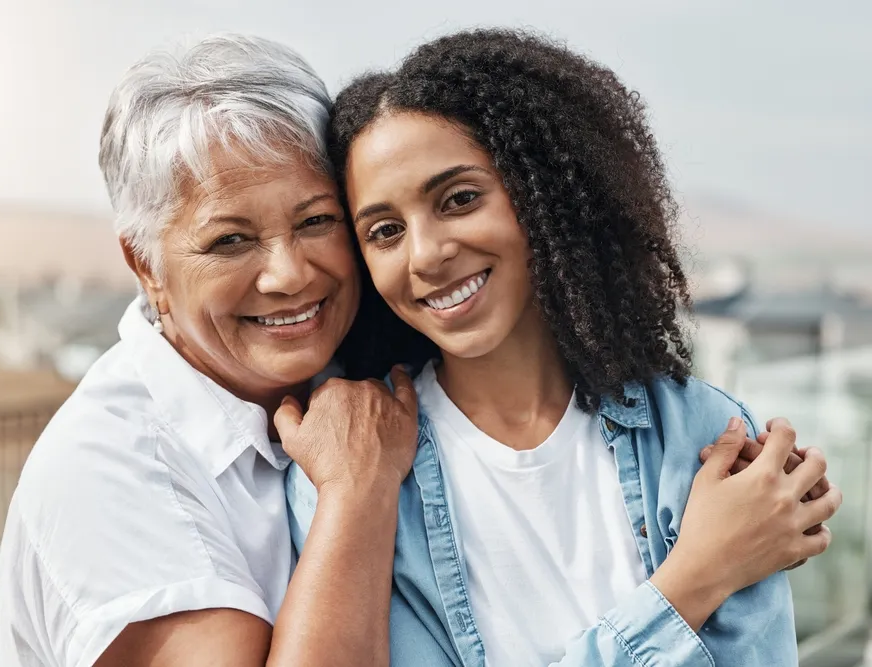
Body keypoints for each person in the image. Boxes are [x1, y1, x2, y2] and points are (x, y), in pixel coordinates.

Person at [286, 28, 842, 666]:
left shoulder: (701, 435)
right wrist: (692, 580)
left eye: (461, 199)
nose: (426, 254)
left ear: (543, 193)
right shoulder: (356, 467)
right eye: (385, 231)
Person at [0, 35, 420, 667]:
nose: (289, 274)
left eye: (316, 221)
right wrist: (358, 489)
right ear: (148, 266)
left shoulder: (374, 368)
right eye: (230, 241)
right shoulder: (105, 469)